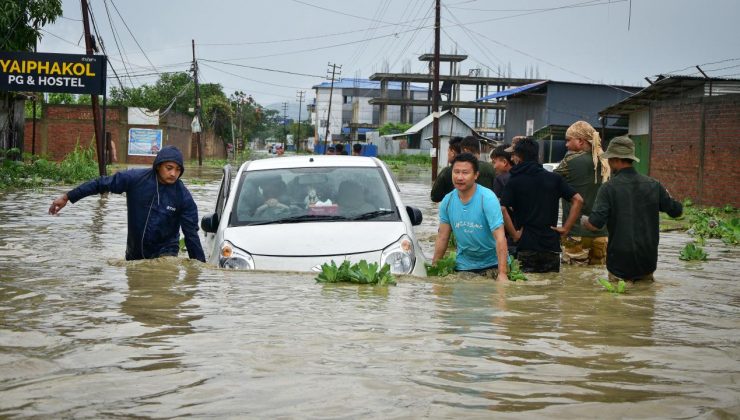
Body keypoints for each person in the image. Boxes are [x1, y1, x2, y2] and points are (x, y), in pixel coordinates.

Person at [48, 145, 206, 262]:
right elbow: (101, 184)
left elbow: (191, 234)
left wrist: (200, 271)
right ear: (158, 166)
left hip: (166, 255)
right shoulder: (135, 179)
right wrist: (68, 197)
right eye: (169, 168)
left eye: (178, 170)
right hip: (134, 254)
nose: (173, 174)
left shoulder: (183, 197)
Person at [583, 136, 683, 282]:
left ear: (616, 159)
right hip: (647, 261)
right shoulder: (654, 185)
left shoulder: (608, 188)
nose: (609, 163)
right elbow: (677, 211)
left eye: (610, 159)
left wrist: (584, 221)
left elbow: (595, 224)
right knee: (644, 302)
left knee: (617, 303)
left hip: (619, 262)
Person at [500, 138, 584, 273]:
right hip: (551, 245)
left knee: (526, 290)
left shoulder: (514, 180)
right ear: (537, 156)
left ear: (518, 157)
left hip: (526, 244)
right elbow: (578, 200)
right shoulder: (554, 178)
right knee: (550, 289)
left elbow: (503, 208)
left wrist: (515, 235)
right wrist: (566, 228)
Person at [432, 153, 509, 281]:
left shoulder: (488, 198)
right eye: (456, 172)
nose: (460, 177)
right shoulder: (448, 200)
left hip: (492, 264)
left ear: (476, 175)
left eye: (465, 173)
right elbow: (442, 237)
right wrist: (435, 267)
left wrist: (502, 273)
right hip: (463, 266)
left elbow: (500, 237)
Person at [554, 121, 610, 265]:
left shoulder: (570, 161)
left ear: (580, 141)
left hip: (575, 232)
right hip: (602, 234)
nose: (566, 145)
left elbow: (550, 182)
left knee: (573, 281)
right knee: (595, 280)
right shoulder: (607, 163)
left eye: (568, 140)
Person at [430, 136, 463, 202]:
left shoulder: (447, 172)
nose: (447, 154)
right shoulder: (473, 171)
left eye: (448, 151)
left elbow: (434, 197)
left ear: (452, 153)